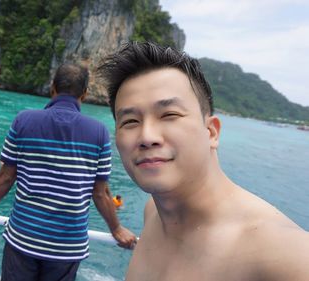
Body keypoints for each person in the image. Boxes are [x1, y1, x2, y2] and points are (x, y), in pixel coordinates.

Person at [97, 42, 309, 281]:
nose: (147, 137)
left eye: (169, 115)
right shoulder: (153, 213)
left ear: (211, 132)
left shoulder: (286, 256)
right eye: (130, 121)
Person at [0, 63, 137, 281]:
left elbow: (6, 176)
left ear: (52, 88)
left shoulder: (23, 120)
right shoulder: (98, 132)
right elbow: (100, 193)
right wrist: (116, 228)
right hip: (67, 246)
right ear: (85, 93)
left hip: (23, 238)